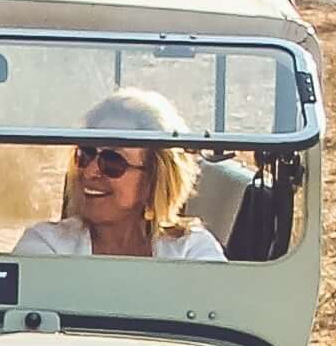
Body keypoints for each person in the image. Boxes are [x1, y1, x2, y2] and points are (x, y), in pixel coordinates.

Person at [13, 90, 224, 260]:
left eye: (112, 161)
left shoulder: (191, 251)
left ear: (154, 178)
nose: (90, 171)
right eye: (85, 154)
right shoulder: (45, 245)